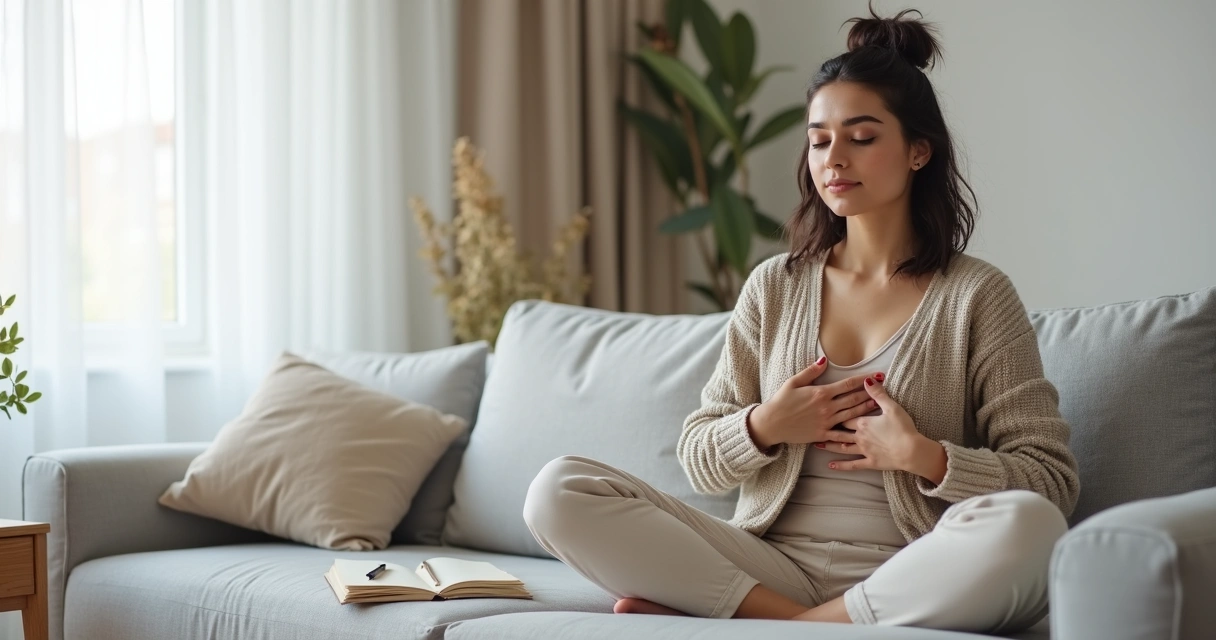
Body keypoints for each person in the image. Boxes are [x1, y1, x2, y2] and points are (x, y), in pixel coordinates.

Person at [522, 4, 1080, 634]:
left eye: (862, 137)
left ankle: (767, 622)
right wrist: (765, 425)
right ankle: (807, 621)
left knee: (1030, 528)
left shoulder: (977, 295)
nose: (833, 159)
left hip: (914, 564)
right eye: (819, 140)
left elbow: (1050, 482)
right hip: (769, 562)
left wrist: (924, 457)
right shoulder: (775, 285)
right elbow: (699, 455)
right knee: (558, 490)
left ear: (919, 151)